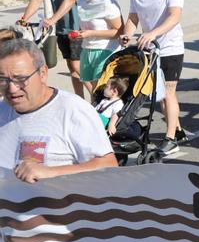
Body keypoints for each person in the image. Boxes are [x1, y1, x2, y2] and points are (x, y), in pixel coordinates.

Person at [0, 39, 117, 182]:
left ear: (42, 73)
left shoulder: (73, 110)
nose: (12, 88)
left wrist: (51, 172)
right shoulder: (3, 109)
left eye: (21, 79)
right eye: (3, 79)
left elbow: (109, 166)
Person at [116, 0, 186, 155]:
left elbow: (175, 16)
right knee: (161, 95)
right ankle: (178, 129)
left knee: (168, 94)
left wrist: (153, 33)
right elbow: (133, 17)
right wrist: (126, 35)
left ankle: (171, 139)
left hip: (170, 48)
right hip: (149, 50)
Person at [19, 0, 83, 97]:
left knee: (77, 66)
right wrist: (24, 18)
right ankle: (80, 100)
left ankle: (98, 100)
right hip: (62, 28)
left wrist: (53, 19)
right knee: (71, 67)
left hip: (77, 27)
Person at [73, 0, 123, 94]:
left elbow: (119, 31)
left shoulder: (107, 2)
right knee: (95, 93)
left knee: (104, 93)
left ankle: (109, 114)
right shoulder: (82, 0)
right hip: (87, 50)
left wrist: (91, 33)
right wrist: (79, 33)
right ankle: (95, 113)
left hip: (105, 51)